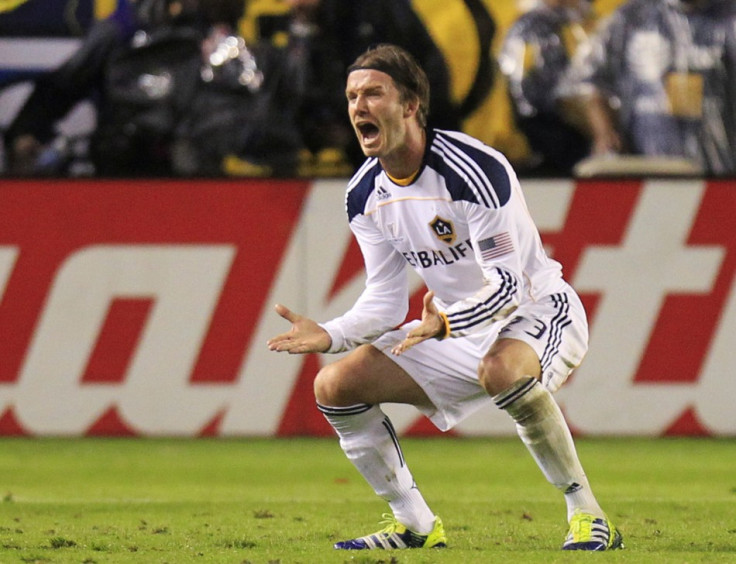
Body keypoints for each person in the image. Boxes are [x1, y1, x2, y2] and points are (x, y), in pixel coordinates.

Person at [267, 43, 623, 552]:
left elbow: (507, 286)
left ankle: (587, 514)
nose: (358, 107)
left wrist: (446, 323)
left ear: (410, 105)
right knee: (335, 385)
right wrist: (332, 333)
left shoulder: (473, 169)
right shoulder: (364, 194)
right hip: (456, 329)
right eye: (351, 97)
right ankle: (413, 523)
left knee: (501, 370)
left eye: (373, 94)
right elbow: (386, 302)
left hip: (537, 310)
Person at [572, 0, 736, 175]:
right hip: (646, 169)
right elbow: (587, 83)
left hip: (723, 174)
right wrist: (605, 132)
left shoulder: (729, 18)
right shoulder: (632, 17)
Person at [498, 0, 595, 175]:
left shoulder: (551, 25)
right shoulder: (540, 27)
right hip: (547, 139)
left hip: (541, 133)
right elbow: (559, 97)